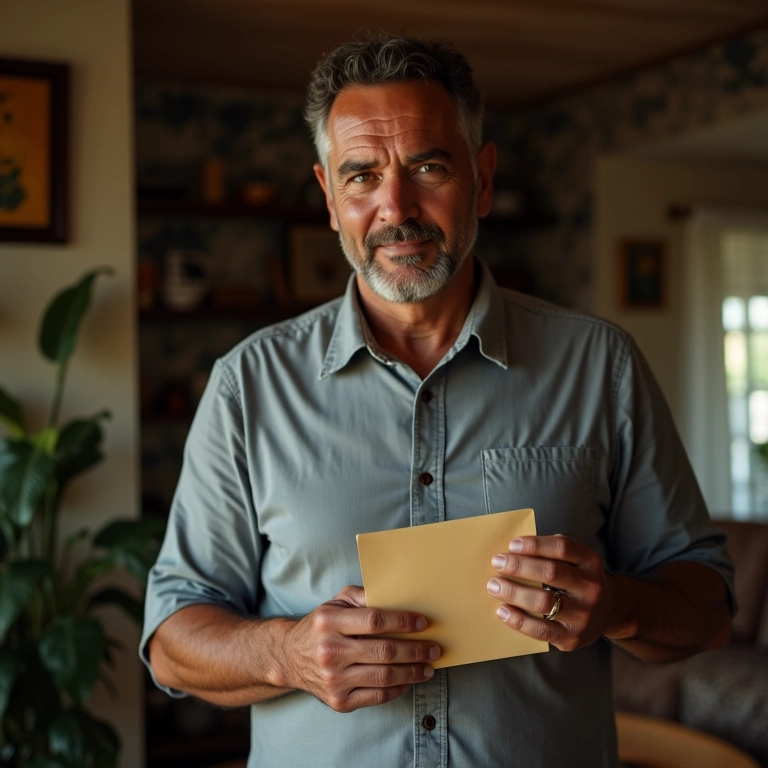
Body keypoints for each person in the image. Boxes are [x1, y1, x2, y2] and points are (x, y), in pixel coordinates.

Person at [140, 35, 734, 768]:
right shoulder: (247, 386)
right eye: (361, 175)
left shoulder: (599, 365)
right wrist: (285, 653)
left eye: (428, 166)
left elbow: (707, 607)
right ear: (330, 198)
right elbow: (170, 643)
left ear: (481, 180)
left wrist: (617, 605)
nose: (397, 207)